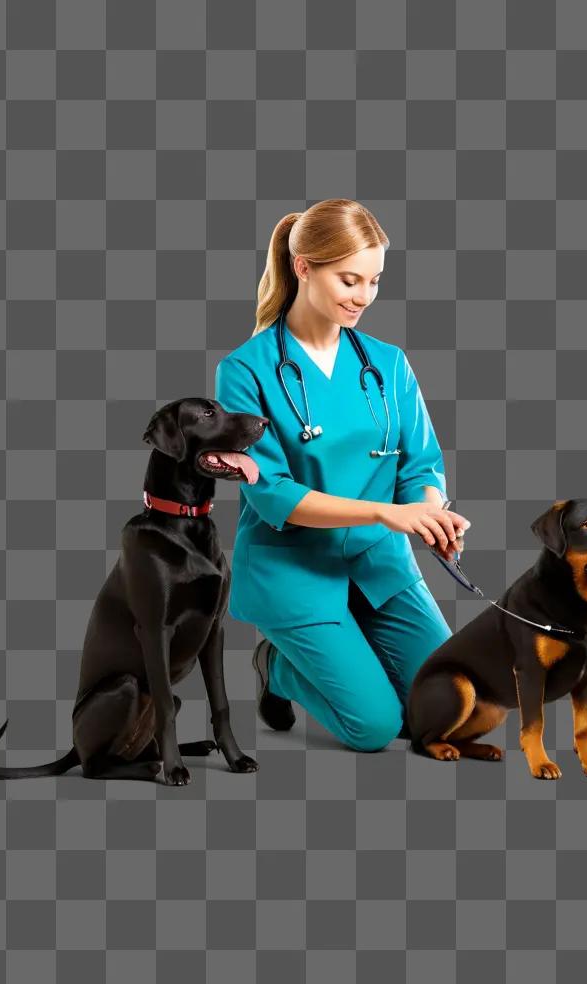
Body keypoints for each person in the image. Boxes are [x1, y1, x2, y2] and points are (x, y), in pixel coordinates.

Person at [214, 199, 471, 752]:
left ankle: (349, 657)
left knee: (447, 708)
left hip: (378, 563)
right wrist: (385, 511)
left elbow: (421, 463)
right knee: (377, 726)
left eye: (374, 281)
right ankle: (276, 665)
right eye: (349, 279)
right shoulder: (245, 371)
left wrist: (429, 511)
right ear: (304, 267)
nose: (363, 297)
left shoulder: (389, 364)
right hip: (295, 570)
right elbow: (273, 494)